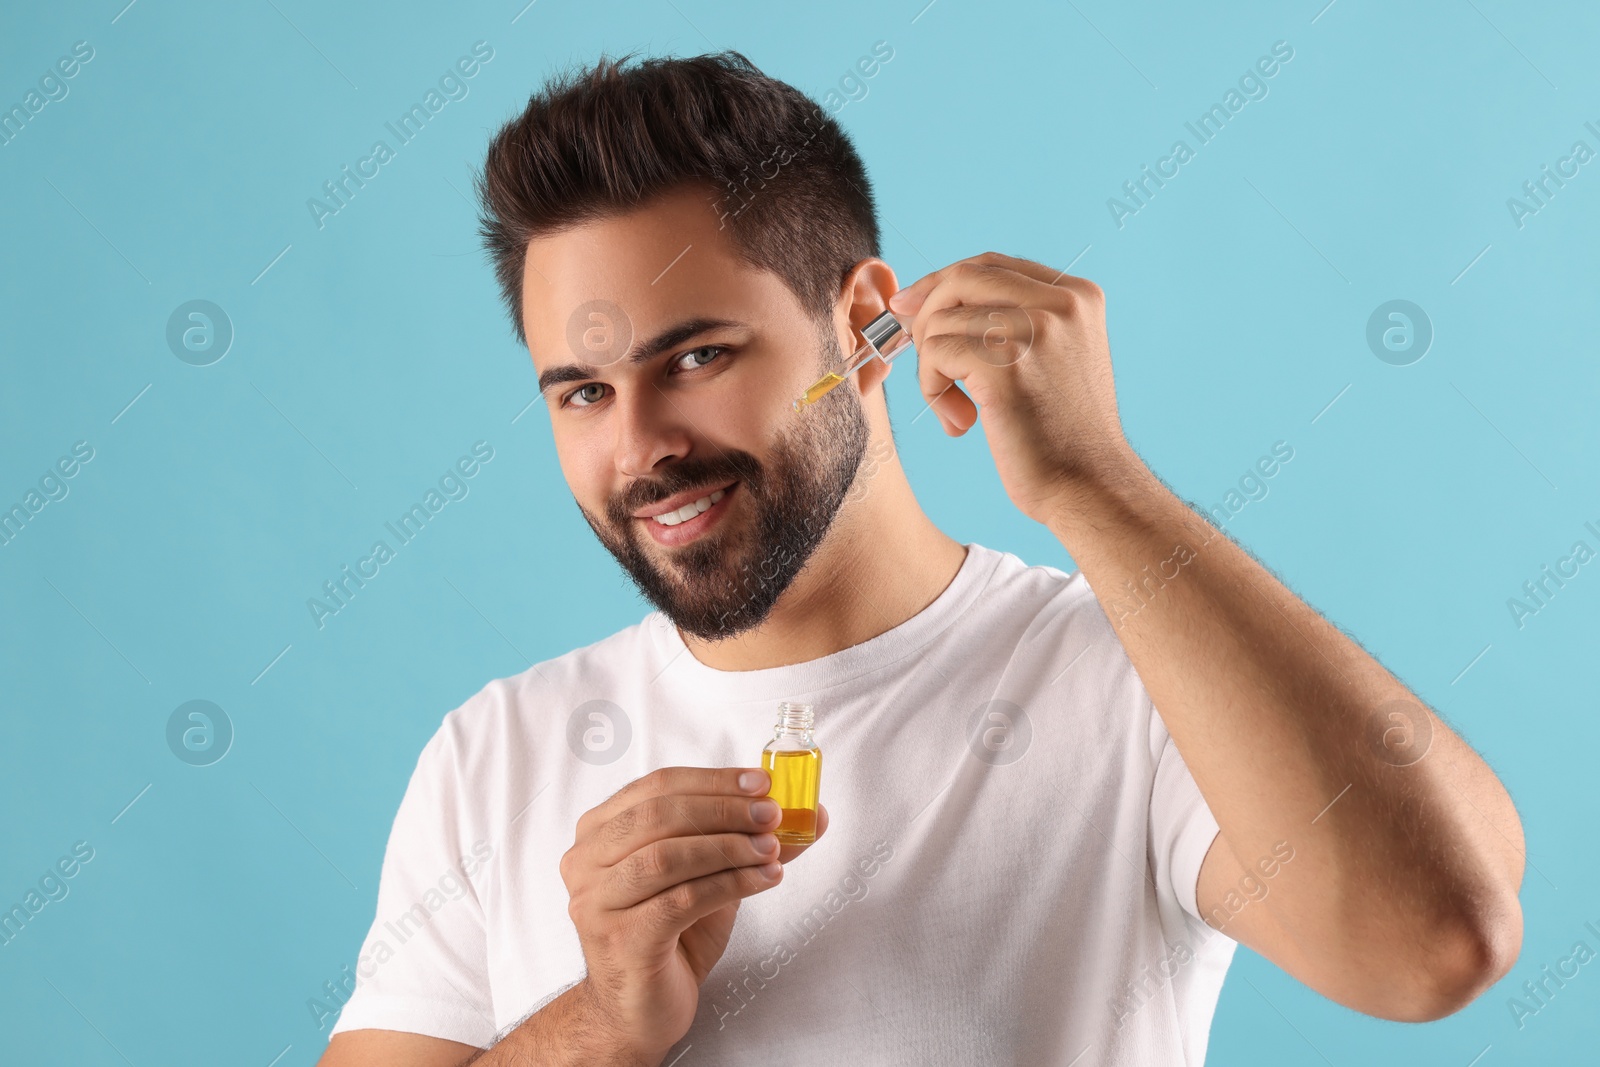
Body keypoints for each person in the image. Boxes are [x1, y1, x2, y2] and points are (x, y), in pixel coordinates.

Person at [317, 51, 1525, 1067]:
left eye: (695, 358)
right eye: (583, 391)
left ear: (862, 322)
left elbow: (1436, 941)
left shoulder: (1135, 681)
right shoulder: (496, 749)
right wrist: (604, 1018)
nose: (641, 449)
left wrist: (1092, 484)